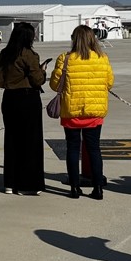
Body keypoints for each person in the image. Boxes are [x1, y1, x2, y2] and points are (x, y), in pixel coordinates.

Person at [50, 25, 114, 200]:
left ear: (74, 39)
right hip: (94, 112)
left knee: (72, 149)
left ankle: (74, 187)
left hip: (72, 111)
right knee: (94, 149)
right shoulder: (102, 58)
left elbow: (55, 85)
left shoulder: (65, 59)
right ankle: (98, 188)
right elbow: (109, 83)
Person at [0, 22, 47, 195]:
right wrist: (43, 71)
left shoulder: (5, 53)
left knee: (12, 140)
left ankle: (10, 182)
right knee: (30, 142)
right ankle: (27, 184)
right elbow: (37, 80)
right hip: (27, 99)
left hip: (9, 98)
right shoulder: (29, 54)